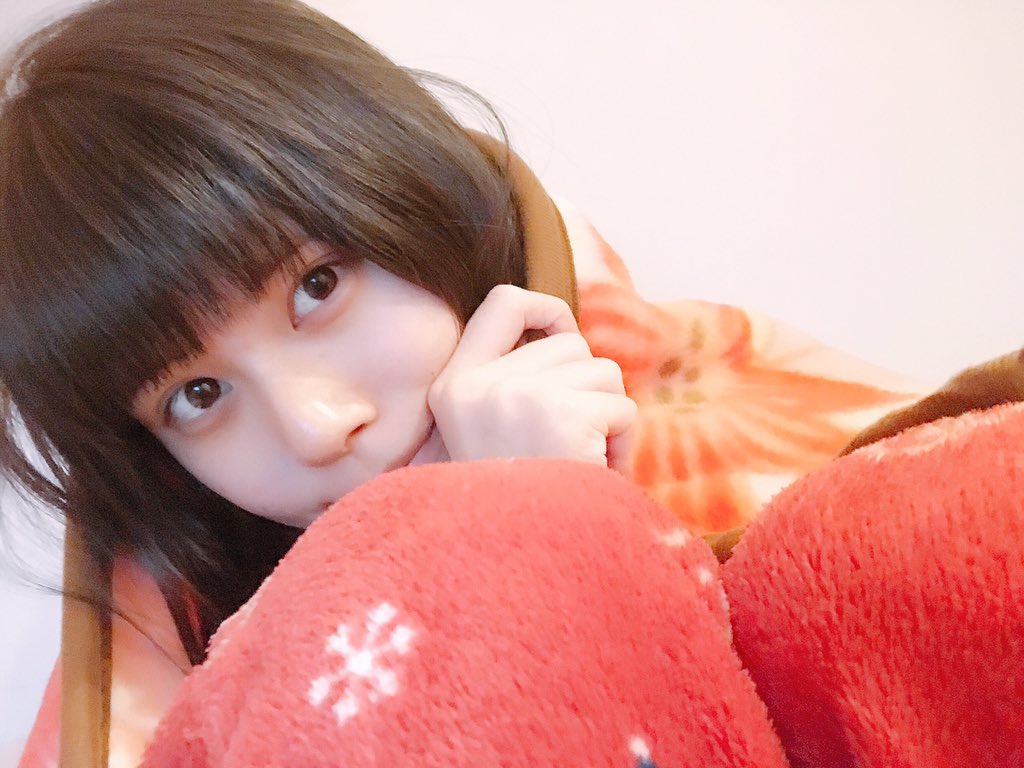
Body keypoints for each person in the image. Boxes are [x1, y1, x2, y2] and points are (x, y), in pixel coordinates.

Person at [0, 0, 638, 663]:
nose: (316, 428)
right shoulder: (183, 665)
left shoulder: (703, 421)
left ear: (424, 198)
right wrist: (511, 532)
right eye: (197, 395)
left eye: (318, 285)